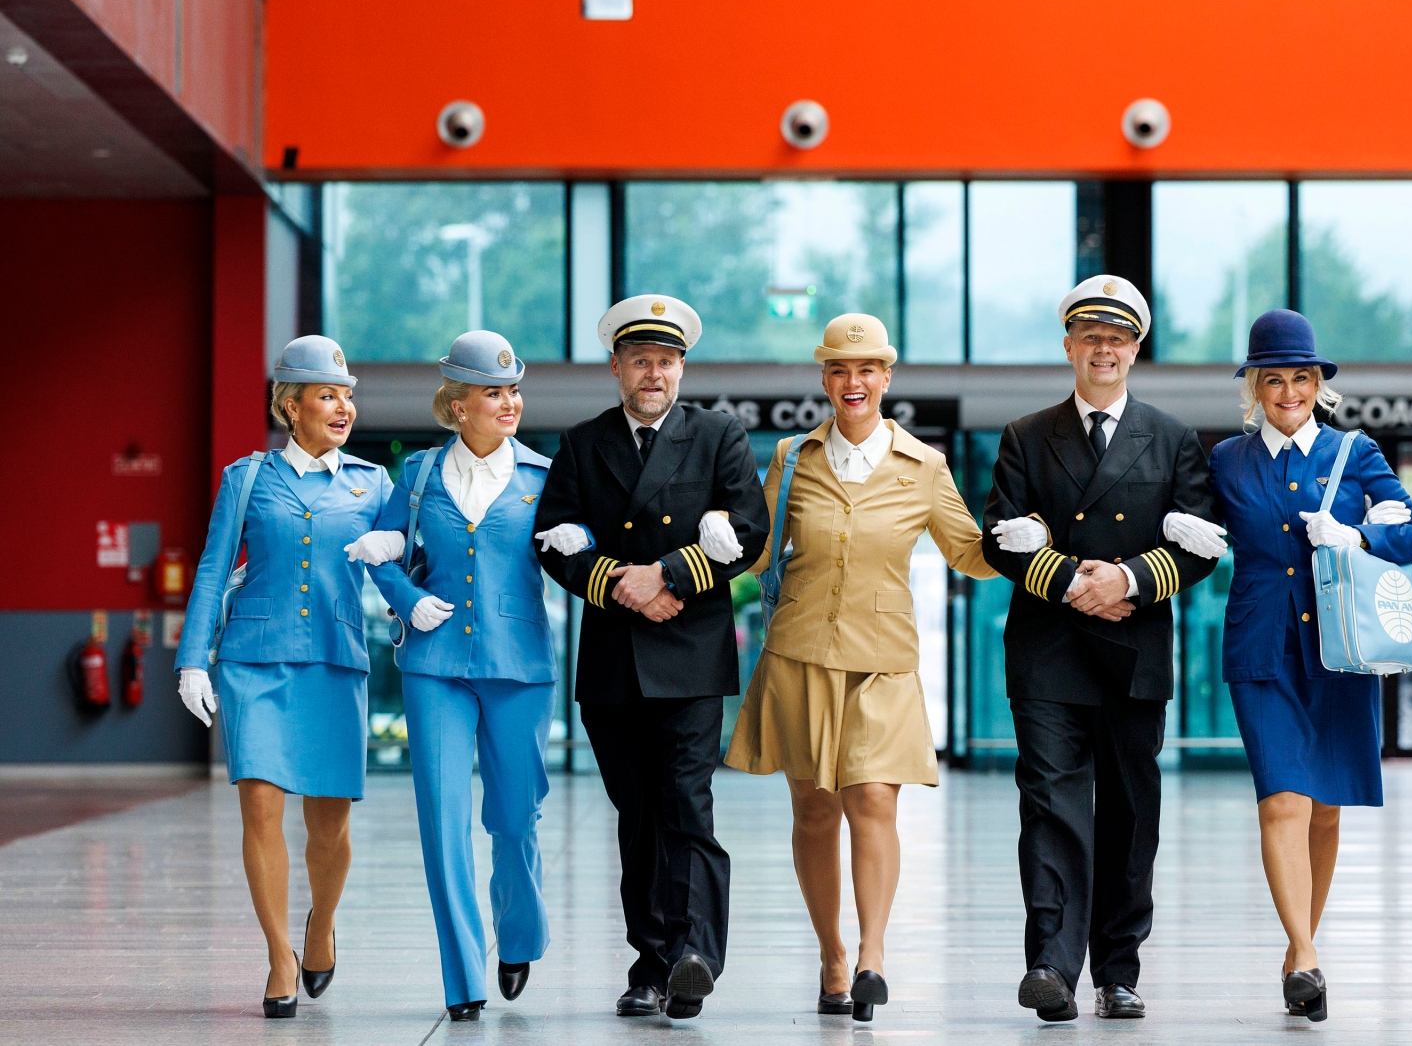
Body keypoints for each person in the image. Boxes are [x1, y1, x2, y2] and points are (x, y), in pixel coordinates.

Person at [726, 314, 1000, 1022]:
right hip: (801, 655)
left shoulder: (924, 465)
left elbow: (968, 552)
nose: (854, 382)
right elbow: (758, 553)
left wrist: (1030, 538)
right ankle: (833, 956)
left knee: (874, 800)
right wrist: (704, 545)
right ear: (825, 379)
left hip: (882, 661)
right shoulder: (791, 457)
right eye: (840, 370)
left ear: (886, 377)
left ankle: (874, 954)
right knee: (814, 809)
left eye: (867, 370)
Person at [981, 275, 1221, 1022]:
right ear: (1069, 346)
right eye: (1091, 337)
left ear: (1135, 349)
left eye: (1117, 339)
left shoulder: (1172, 438)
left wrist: (1130, 579)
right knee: (1050, 808)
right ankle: (1052, 966)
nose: (1104, 350)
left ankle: (1119, 970)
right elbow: (999, 538)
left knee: (1128, 814)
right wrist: (1072, 583)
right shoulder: (1026, 435)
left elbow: (1203, 545)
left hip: (1133, 650)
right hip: (1049, 651)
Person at [532, 294, 770, 1020]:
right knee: (637, 818)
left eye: (666, 361)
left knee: (686, 804)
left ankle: (693, 955)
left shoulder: (718, 436)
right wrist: (622, 586)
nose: (653, 373)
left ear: (682, 369)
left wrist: (666, 576)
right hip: (614, 659)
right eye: (640, 361)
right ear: (617, 367)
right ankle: (651, 962)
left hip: (690, 656)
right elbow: (554, 539)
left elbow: (749, 531)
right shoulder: (583, 442)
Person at [1206, 310, 1412, 1022]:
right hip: (1260, 647)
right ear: (1255, 388)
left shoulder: (1355, 453)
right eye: (1273, 380)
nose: (1288, 392)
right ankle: (1306, 955)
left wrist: (1358, 536)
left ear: (1317, 384)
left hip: (1340, 647)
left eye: (1300, 378)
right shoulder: (1226, 460)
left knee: (1326, 807)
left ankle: (1297, 946)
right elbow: (1190, 530)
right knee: (1284, 799)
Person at [174, 336, 392, 1017]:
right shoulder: (246, 478)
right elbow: (213, 569)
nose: (344, 408)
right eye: (328, 396)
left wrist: (410, 603)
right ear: (291, 406)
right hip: (253, 661)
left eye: (348, 396)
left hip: (336, 660)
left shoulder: (373, 483)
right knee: (260, 807)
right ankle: (278, 955)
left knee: (329, 826)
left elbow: (401, 566)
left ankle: (320, 924)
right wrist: (192, 658)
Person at [352, 332, 559, 1021]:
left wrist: (583, 542)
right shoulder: (416, 476)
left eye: (513, 390)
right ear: (459, 404)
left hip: (519, 667)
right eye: (493, 392)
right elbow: (381, 553)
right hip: (433, 666)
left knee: (514, 817)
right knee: (442, 823)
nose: (509, 403)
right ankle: (463, 977)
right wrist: (406, 599)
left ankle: (519, 935)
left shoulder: (545, 477)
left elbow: (580, 548)